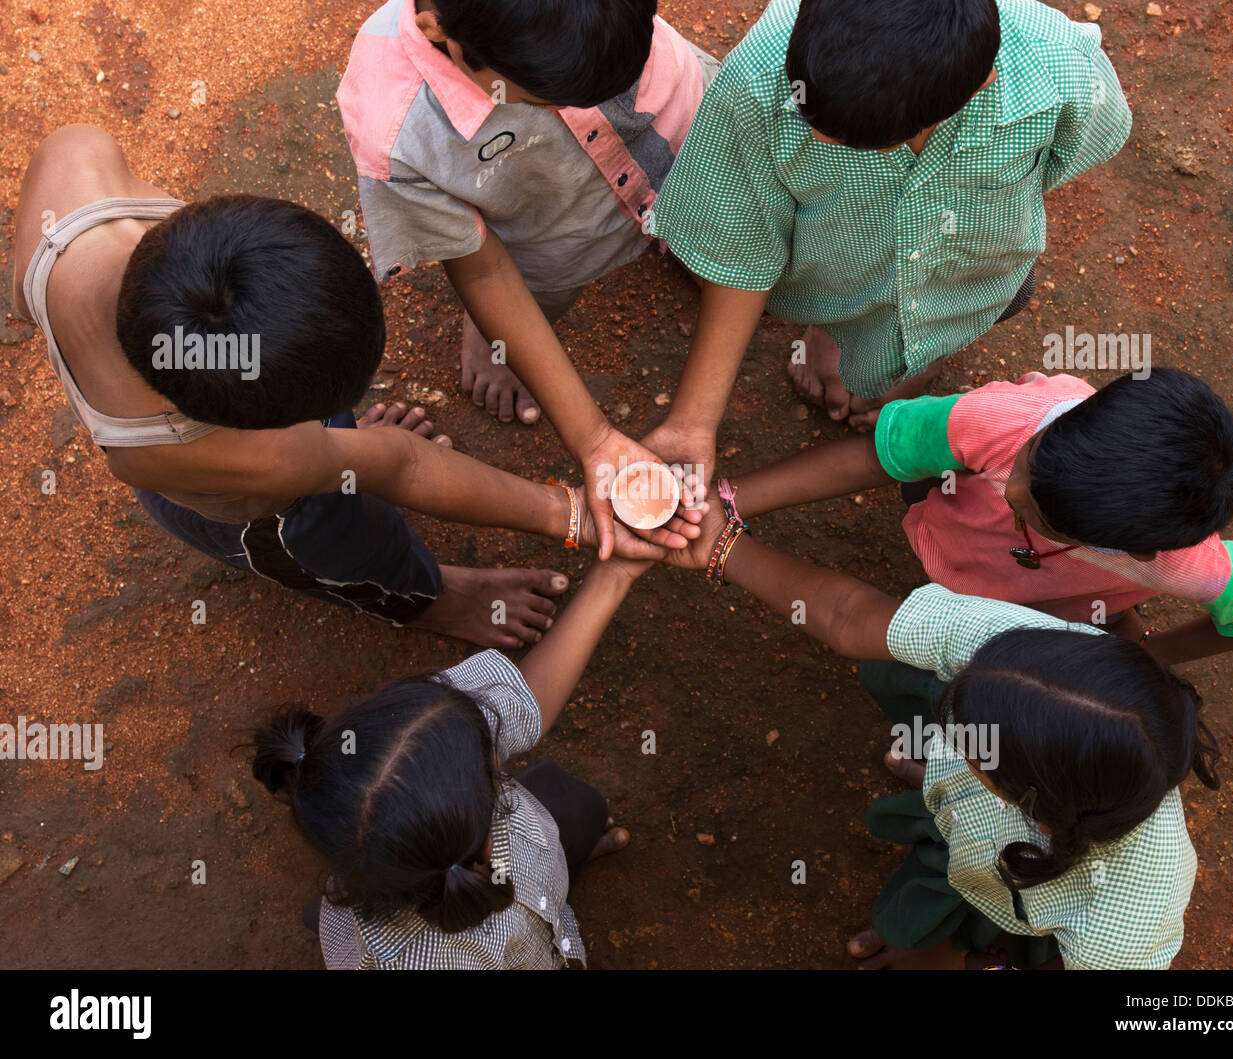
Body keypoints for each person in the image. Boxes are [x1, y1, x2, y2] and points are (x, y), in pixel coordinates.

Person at [12, 125, 702, 646]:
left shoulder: (76, 175)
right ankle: (428, 598)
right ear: (263, 420)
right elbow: (399, 465)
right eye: (317, 412)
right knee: (346, 538)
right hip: (262, 507)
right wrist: (571, 513)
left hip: (254, 412)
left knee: (342, 459)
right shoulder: (236, 458)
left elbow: (26, 296)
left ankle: (344, 458)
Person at [663, 492, 1221, 969]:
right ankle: (937, 837)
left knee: (942, 924)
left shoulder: (1130, 914)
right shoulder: (1020, 647)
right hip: (989, 818)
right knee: (895, 661)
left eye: (965, 740)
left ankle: (940, 942)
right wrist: (722, 546)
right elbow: (846, 615)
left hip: (1006, 886)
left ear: (1019, 795)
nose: (946, 732)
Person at [643, 0, 1132, 483]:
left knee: (1006, 293)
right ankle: (832, 329)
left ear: (978, 84)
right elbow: (738, 248)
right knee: (837, 306)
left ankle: (927, 350)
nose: (819, 141)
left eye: (860, 138)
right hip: (833, 273)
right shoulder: (757, 82)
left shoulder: (1059, 65)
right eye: (809, 116)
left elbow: (1070, 153)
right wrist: (692, 423)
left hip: (976, 277)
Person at [336, 0, 717, 537]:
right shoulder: (396, 128)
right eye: (541, 100)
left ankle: (691, 238)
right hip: (555, 234)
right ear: (438, 32)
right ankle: (496, 339)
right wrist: (594, 438)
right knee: (535, 290)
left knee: (715, 221)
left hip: (683, 131)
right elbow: (485, 270)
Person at [715, 368, 1233, 663]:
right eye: (1032, 459)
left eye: (1041, 512)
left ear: (1138, 553)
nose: (1010, 488)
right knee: (930, 467)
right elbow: (878, 456)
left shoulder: (1188, 566)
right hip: (952, 532)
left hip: (1029, 605)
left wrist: (1149, 656)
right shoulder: (1005, 423)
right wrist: (732, 499)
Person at [251, 553, 650, 969]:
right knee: (566, 801)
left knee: (572, 799)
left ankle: (332, 917)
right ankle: (566, 873)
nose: (496, 745)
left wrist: (615, 572)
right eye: (491, 761)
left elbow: (525, 698)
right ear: (485, 802)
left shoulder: (420, 735)